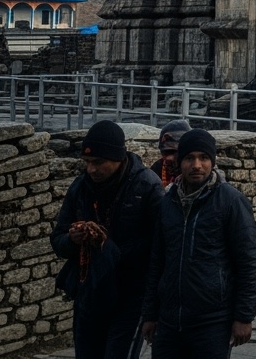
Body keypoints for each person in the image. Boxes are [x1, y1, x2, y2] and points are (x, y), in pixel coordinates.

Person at [141, 128, 256, 359]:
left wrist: (243, 317)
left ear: (212, 162)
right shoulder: (168, 202)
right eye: (189, 158)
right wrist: (150, 314)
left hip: (212, 321)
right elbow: (157, 261)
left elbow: (248, 263)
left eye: (204, 158)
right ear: (180, 161)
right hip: (169, 320)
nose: (197, 165)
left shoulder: (230, 202)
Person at [51, 120, 163, 359]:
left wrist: (112, 250)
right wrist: (73, 240)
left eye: (98, 162)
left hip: (131, 294)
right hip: (90, 293)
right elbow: (58, 240)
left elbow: (161, 246)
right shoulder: (80, 187)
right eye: (87, 162)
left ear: (118, 158)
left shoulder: (147, 187)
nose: (91, 169)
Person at [151, 120, 190, 189]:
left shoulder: (194, 172)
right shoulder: (156, 170)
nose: (168, 158)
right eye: (165, 152)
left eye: (174, 152)